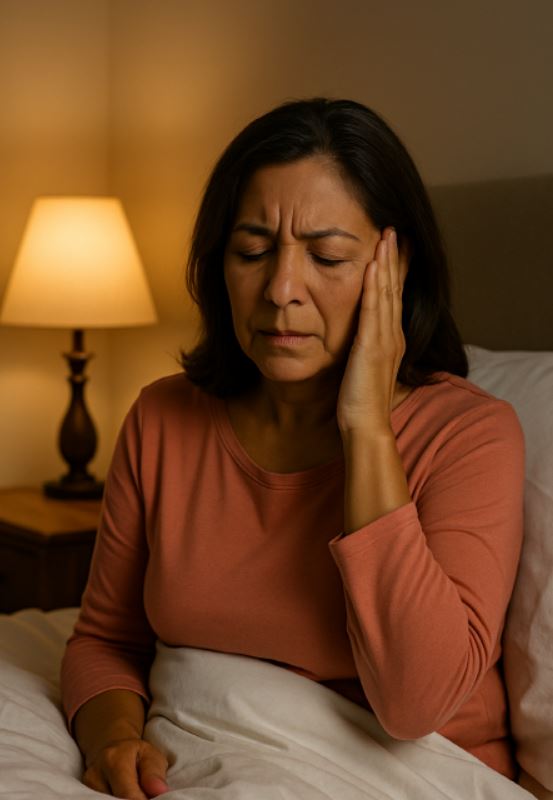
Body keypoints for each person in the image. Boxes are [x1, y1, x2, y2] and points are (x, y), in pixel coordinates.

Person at [60, 98, 525, 800]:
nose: (280, 291)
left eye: (328, 256)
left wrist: (365, 427)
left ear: (397, 270)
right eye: (252, 250)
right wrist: (117, 738)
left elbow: (414, 703)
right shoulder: (163, 417)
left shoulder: (471, 436)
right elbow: (105, 641)